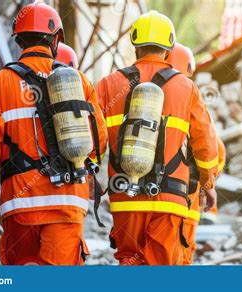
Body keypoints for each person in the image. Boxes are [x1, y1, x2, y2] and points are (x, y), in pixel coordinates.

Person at [0, 2, 107, 265]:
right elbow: (99, 139)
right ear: (55, 40)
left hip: (21, 205)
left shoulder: (0, 84)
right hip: (68, 202)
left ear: (18, 40)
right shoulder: (79, 81)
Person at [96, 10, 219, 265]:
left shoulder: (108, 84)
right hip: (169, 199)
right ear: (169, 47)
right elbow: (205, 142)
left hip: (124, 198)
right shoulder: (186, 88)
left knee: (130, 263)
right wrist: (208, 184)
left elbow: (92, 137)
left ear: (135, 44)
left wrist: (87, 177)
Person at [166, 42, 226, 264]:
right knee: (177, 259)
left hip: (133, 200)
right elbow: (211, 145)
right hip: (182, 201)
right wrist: (208, 185)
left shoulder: (136, 92)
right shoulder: (188, 94)